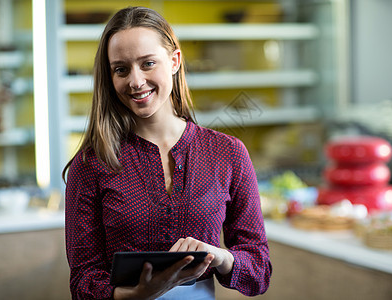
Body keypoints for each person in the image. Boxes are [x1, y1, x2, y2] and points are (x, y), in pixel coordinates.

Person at [63, 6, 272, 300]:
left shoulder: (228, 153)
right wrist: (136, 294)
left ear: (174, 61)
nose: (135, 81)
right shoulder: (90, 164)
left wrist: (222, 257)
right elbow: (82, 282)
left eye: (148, 63)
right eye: (121, 69)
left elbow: (259, 271)